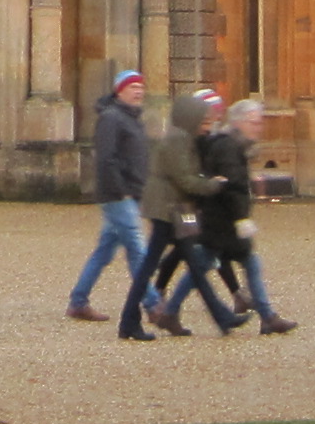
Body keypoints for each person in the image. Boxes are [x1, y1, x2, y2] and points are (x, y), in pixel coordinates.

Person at [134, 89, 246, 338]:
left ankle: (207, 314)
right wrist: (215, 184)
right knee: (164, 261)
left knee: (194, 261)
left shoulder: (189, 137)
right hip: (169, 209)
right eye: (205, 121)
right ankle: (137, 314)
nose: (208, 126)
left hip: (180, 208)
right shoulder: (178, 139)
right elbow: (185, 179)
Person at [200, 99, 299, 338]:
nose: (259, 127)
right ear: (240, 122)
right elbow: (233, 185)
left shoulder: (235, 143)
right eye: (255, 122)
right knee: (202, 266)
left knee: (205, 264)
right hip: (222, 220)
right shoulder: (229, 145)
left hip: (222, 219)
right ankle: (267, 317)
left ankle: (267, 317)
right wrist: (241, 218)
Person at [68, 69, 150, 324]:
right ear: (119, 90)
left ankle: (78, 301)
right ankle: (156, 305)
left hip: (130, 192)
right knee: (137, 249)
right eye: (132, 87)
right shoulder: (112, 118)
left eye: (140, 87)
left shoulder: (131, 118)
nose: (138, 91)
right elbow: (106, 158)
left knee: (104, 251)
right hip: (117, 195)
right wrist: (121, 189)